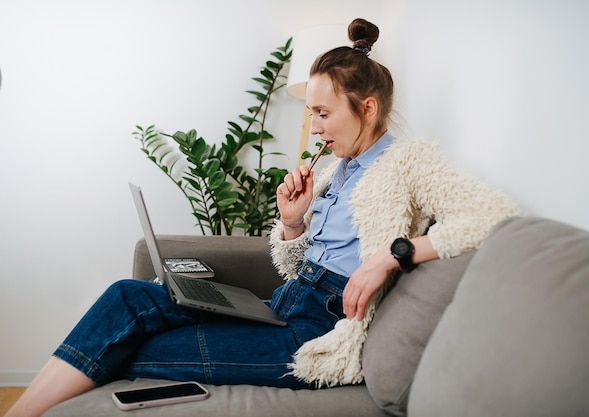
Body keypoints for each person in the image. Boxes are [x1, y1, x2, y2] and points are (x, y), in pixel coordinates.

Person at [7, 18, 521, 417]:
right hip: (282, 302)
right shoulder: (336, 168)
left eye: (323, 113)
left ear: (366, 109)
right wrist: (293, 221)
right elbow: (297, 259)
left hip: (318, 331)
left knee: (131, 341)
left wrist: (394, 255)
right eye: (311, 114)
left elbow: (494, 217)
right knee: (128, 295)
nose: (315, 126)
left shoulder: (409, 161)